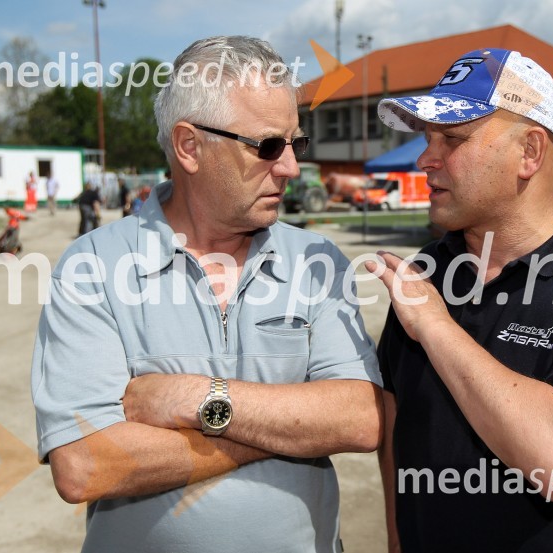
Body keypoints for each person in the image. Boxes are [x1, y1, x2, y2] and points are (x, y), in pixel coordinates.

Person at [31, 35, 382, 553]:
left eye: (296, 143)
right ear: (189, 146)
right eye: (267, 146)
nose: (289, 167)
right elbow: (85, 465)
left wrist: (197, 398)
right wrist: (285, 431)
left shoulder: (317, 261)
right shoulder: (93, 266)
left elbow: (361, 418)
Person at [367, 48, 553, 552]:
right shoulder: (427, 271)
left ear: (530, 152)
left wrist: (437, 327)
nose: (425, 159)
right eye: (425, 138)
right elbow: (398, 426)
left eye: (453, 138)